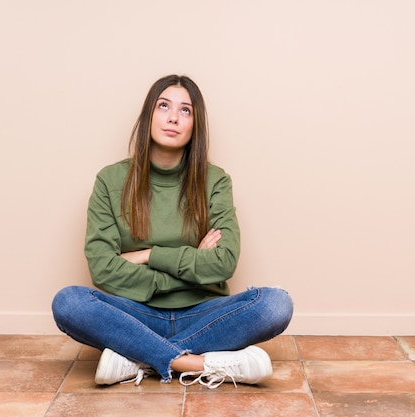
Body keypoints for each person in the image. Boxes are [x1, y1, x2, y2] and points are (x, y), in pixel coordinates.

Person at [51, 74, 293, 388]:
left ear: (195, 125)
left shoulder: (215, 180)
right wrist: (191, 264)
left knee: (276, 304)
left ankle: (138, 355)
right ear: (149, 115)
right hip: (136, 313)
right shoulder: (110, 180)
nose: (173, 118)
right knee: (68, 302)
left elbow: (224, 262)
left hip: (205, 313)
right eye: (163, 106)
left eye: (186, 110)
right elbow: (102, 269)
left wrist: (146, 255)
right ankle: (196, 363)